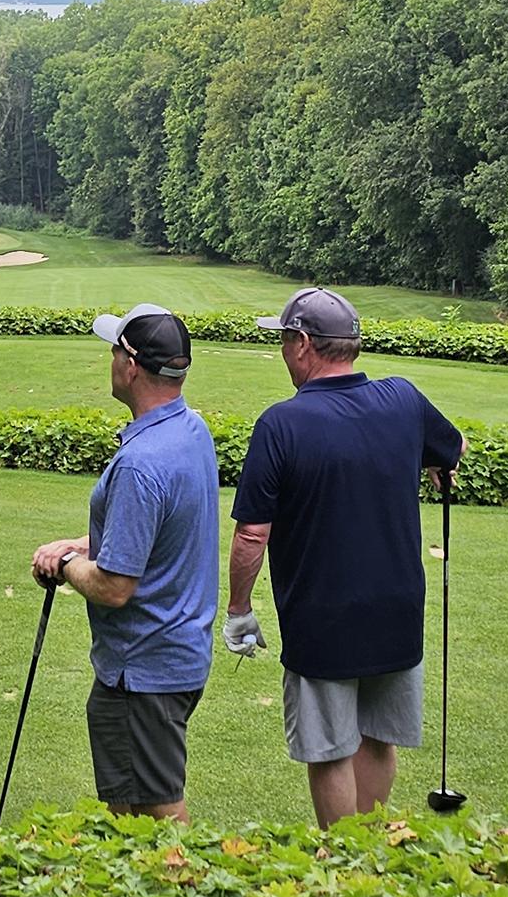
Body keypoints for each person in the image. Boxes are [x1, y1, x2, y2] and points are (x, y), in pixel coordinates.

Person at [227, 287, 464, 825]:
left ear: (304, 344)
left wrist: (239, 609)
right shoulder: (403, 399)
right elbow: (455, 447)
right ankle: (371, 857)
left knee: (330, 748)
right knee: (378, 738)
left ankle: (344, 865)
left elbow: (251, 536)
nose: (283, 352)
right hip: (397, 607)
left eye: (285, 340)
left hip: (323, 616)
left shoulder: (280, 424)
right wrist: (436, 462)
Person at [28, 303, 219, 820]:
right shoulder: (191, 431)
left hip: (143, 669)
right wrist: (83, 544)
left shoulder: (139, 463)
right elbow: (157, 536)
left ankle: (185, 896)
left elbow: (115, 586)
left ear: (131, 365)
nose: (110, 358)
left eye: (114, 349)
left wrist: (66, 562)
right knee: (132, 806)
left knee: (157, 811)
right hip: (176, 655)